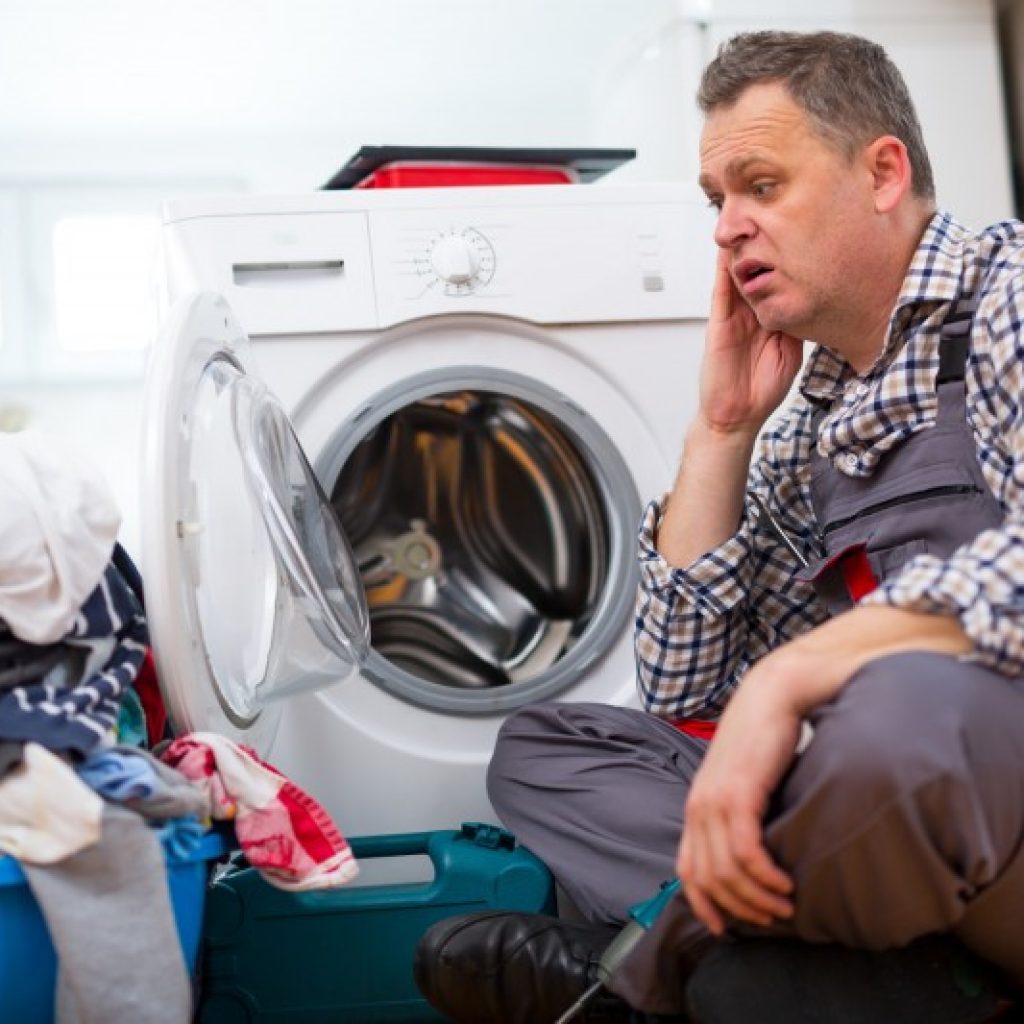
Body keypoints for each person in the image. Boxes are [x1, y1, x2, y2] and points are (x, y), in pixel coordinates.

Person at [414, 29, 1024, 1024]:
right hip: (865, 812)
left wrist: (794, 679)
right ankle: (883, 974)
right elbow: (685, 687)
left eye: (760, 184)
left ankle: (657, 971)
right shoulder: (811, 419)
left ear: (880, 173)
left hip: (972, 785)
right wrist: (721, 428)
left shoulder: (1006, 298)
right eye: (715, 202)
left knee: (902, 711)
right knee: (545, 748)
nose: (726, 228)